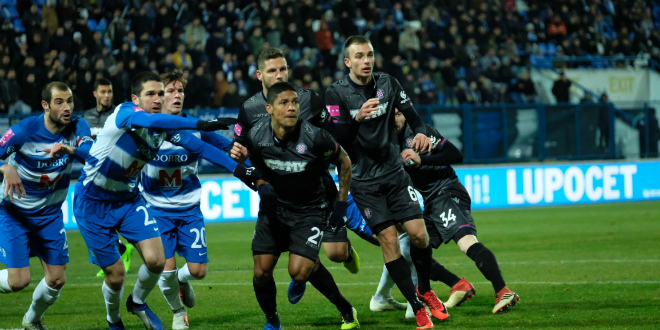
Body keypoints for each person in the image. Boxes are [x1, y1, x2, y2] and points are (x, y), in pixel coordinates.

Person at [70, 71, 257, 330]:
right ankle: (114, 320)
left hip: (128, 200)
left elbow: (201, 148)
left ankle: (137, 302)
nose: (158, 99)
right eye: (151, 94)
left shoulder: (163, 130)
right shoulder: (125, 113)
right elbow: (151, 120)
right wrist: (201, 124)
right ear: (136, 98)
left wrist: (242, 171)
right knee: (116, 276)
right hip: (92, 201)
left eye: (161, 93)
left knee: (157, 261)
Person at [325, 35, 446, 329]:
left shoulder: (388, 83)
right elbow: (336, 142)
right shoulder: (336, 93)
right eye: (359, 56)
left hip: (394, 173)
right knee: (389, 241)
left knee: (419, 235)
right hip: (364, 182)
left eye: (369, 55)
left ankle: (425, 289)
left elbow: (414, 118)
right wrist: (357, 119)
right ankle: (417, 308)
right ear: (347, 62)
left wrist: (419, 133)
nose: (365, 61)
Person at [239, 81, 358, 330]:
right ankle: (272, 321)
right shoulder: (256, 135)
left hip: (309, 210)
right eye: (284, 103)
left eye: (294, 102)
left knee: (299, 272)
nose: (292, 107)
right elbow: (257, 167)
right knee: (261, 272)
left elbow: (344, 162)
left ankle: (346, 308)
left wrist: (341, 205)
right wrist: (262, 186)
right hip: (274, 211)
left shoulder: (316, 137)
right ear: (270, 108)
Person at [232, 47, 360, 274]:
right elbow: (240, 151)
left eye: (283, 69)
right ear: (260, 75)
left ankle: (345, 251)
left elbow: (334, 137)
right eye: (272, 70)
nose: (279, 75)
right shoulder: (249, 110)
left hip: (316, 188)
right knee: (275, 265)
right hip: (279, 193)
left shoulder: (309, 99)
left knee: (337, 254)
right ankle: (305, 268)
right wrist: (244, 162)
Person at [394, 109, 519, 314]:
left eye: (400, 114)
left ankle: (503, 290)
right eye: (393, 114)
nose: (396, 118)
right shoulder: (387, 141)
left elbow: (455, 154)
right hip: (431, 203)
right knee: (414, 248)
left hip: (446, 192)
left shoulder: (420, 133)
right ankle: (450, 286)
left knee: (466, 242)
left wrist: (421, 159)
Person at [143, 70, 241, 329]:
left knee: (198, 271)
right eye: (170, 91)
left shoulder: (196, 127)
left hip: (189, 211)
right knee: (166, 271)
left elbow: (225, 148)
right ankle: (177, 312)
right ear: (158, 97)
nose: (177, 96)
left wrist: (239, 152)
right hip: (156, 211)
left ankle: (183, 281)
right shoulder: (144, 130)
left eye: (180, 91)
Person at [0, 82, 93, 330]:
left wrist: (68, 148)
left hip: (50, 215)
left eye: (70, 101)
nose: (67, 107)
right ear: (45, 105)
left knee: (57, 279)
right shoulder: (24, 130)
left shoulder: (78, 126)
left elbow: (92, 154)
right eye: (60, 102)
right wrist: (5, 167)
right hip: (15, 214)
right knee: (18, 281)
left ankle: (32, 320)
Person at [84, 77, 135, 278]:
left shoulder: (119, 114)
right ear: (95, 94)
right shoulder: (86, 117)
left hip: (118, 175)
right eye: (103, 92)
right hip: (94, 176)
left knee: (109, 219)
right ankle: (121, 250)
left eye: (110, 92)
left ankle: (119, 252)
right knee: (96, 222)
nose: (107, 96)